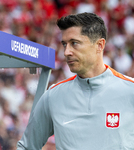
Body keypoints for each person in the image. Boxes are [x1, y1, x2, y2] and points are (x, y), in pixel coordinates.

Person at [16, 12, 134, 150]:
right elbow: (26, 147)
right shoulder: (54, 96)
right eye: (64, 44)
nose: (66, 52)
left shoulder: (130, 91)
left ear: (100, 45)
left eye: (74, 43)